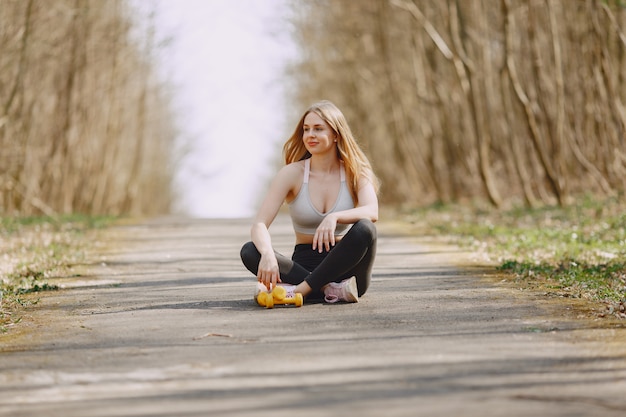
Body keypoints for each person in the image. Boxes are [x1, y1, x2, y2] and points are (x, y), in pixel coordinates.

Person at [240, 100, 379, 304]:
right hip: (303, 267)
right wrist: (268, 254)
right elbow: (259, 224)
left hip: (348, 271)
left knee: (365, 229)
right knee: (250, 251)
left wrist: (335, 217)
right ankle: (330, 290)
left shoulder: (355, 171)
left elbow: (372, 211)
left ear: (335, 135)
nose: (310, 135)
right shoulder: (291, 174)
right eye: (306, 129)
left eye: (318, 129)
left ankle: (299, 290)